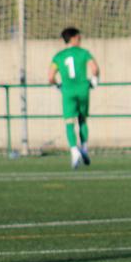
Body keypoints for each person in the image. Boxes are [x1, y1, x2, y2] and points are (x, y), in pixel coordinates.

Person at [48, 27, 99, 169]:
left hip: (68, 91)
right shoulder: (84, 53)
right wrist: (94, 80)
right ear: (74, 38)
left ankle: (74, 151)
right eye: (79, 38)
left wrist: (57, 86)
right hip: (83, 90)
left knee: (69, 122)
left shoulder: (58, 56)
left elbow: (50, 77)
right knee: (82, 119)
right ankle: (84, 148)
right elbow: (94, 68)